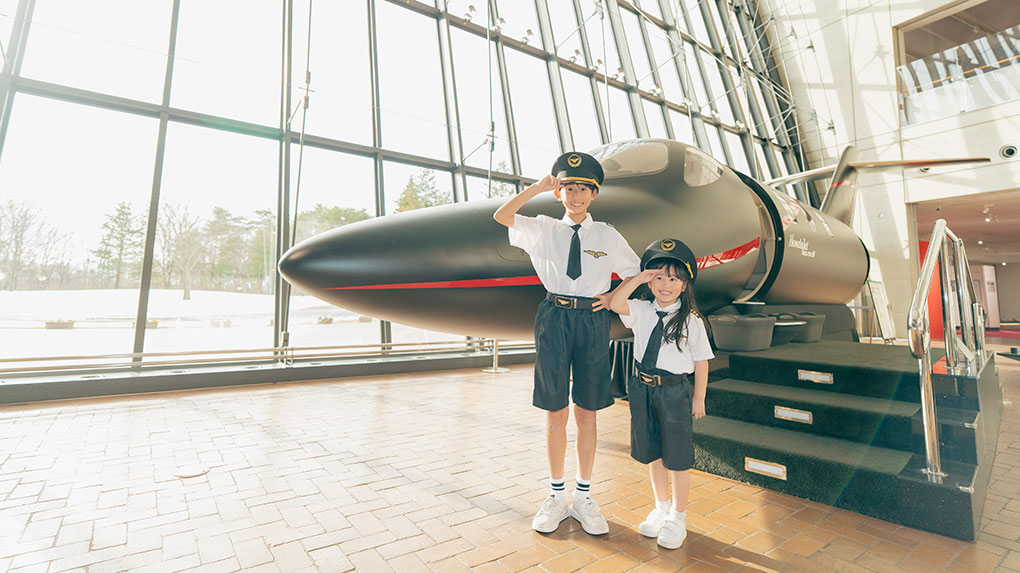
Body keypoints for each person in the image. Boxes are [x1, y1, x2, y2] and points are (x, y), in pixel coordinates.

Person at [493, 151, 640, 535]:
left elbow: (635, 273)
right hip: (554, 319)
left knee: (587, 412)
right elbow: (503, 217)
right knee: (554, 410)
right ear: (559, 192)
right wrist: (536, 189)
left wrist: (612, 299)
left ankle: (584, 496)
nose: (576, 196)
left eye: (583, 189)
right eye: (568, 188)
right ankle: (556, 495)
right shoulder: (543, 228)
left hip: (592, 321)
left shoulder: (607, 234)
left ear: (594, 194)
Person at [609, 238, 713, 549]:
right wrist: (637, 279)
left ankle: (678, 517)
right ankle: (661, 507)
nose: (665, 284)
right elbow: (615, 303)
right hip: (642, 388)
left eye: (674, 278)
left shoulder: (691, 321)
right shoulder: (640, 309)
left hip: (673, 392)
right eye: (659, 276)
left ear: (685, 285)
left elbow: (702, 362)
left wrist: (699, 398)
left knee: (678, 458)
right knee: (653, 453)